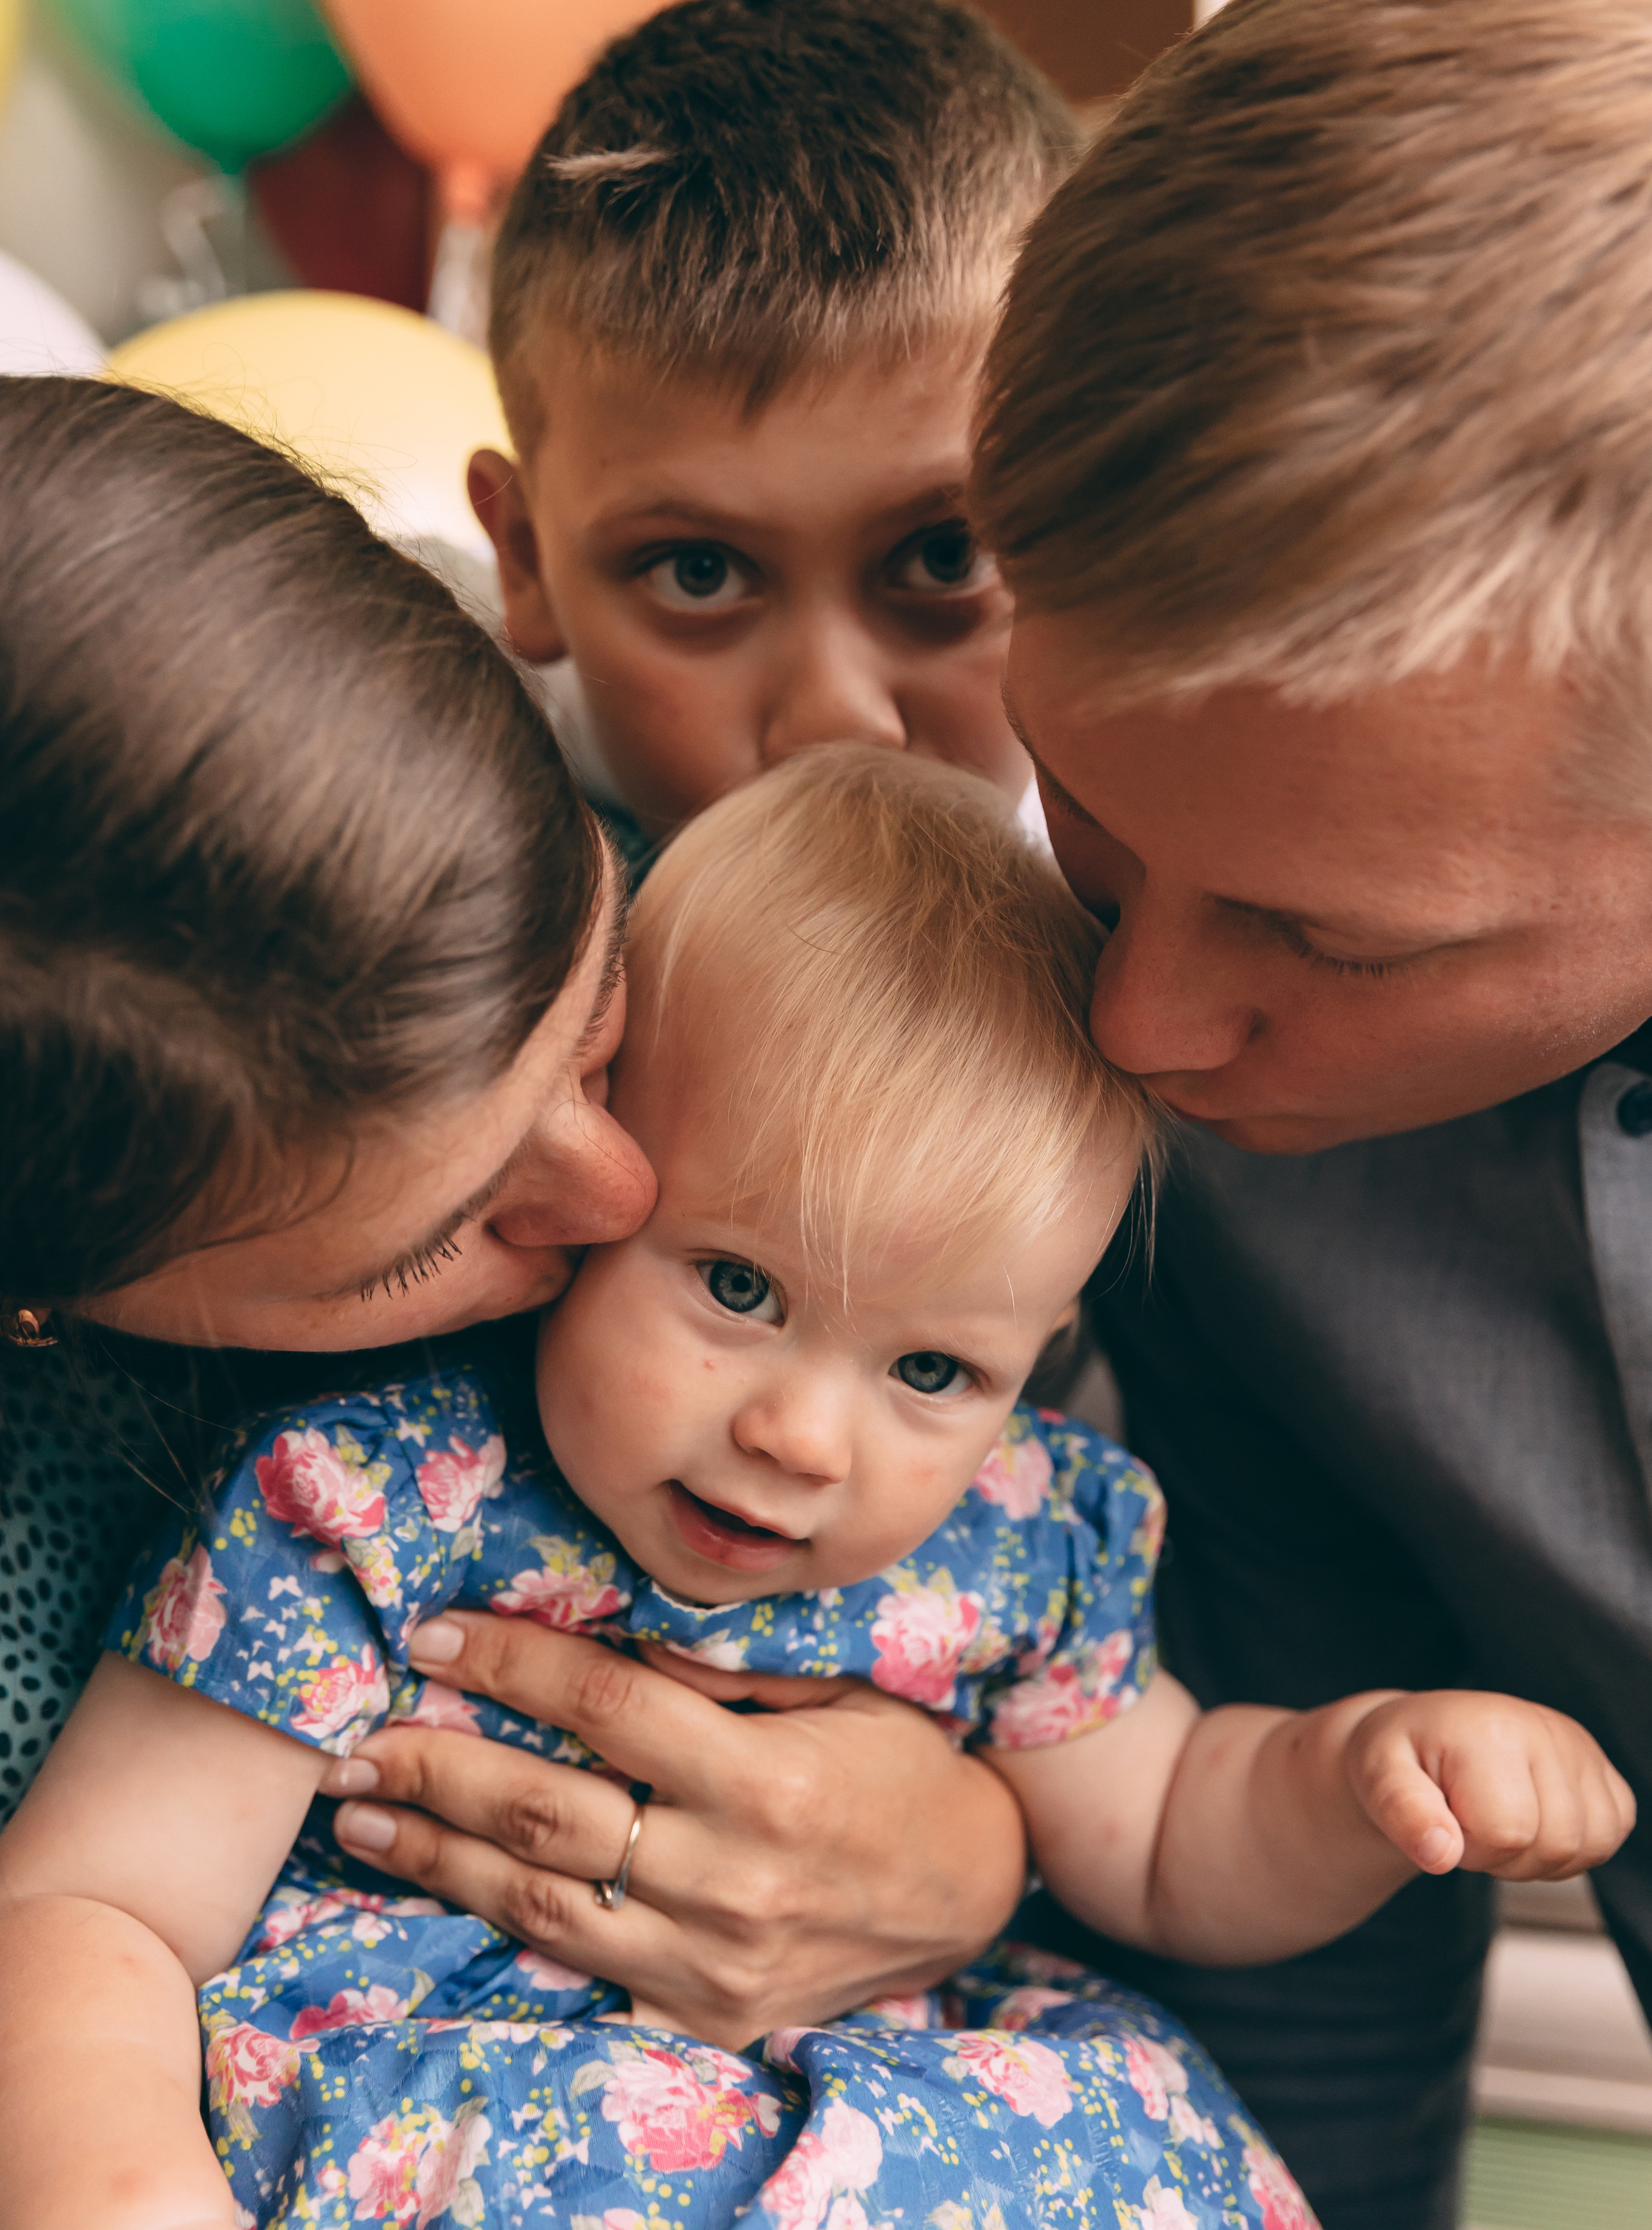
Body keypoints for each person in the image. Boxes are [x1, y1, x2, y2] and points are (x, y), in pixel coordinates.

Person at [1, 747, 1628, 2230]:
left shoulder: (1021, 1537)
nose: (796, 1435)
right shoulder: (374, 1499)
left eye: (928, 1367)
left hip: (910, 2121)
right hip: (471, 2124)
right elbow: (98, 1901)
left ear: (1036, 1353)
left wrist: (1357, 1775)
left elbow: (1166, 1839)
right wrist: (125, 2215)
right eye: (734, 1282)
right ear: (595, 1169)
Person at [0, 375, 1022, 2069]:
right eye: (430, 1237)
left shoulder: (733, 919)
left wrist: (977, 1847)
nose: (622, 1194)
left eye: (599, 1023)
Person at [965, 0, 1652, 2230]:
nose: (1139, 1029)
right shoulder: (1248, 1157)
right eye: (1091, 812)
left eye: (1322, 935)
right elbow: (1333, 1984)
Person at [465, 0, 1078, 873]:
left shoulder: (1195, 941)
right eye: (698, 574)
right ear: (525, 561)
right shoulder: (471, 962)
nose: (836, 721)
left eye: (948, 557)